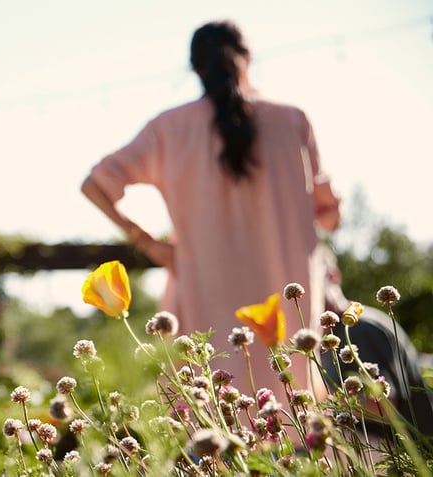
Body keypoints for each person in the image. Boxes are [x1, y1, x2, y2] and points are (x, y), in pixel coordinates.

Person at [81, 20, 341, 402]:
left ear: (195, 69)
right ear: (247, 59)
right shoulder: (292, 121)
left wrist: (151, 245)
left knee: (214, 416)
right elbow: (329, 214)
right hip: (288, 296)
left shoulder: (168, 129)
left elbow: (95, 184)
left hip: (203, 287)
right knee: (293, 416)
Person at [318, 245, 433, 438]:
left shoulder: (357, 329)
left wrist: (319, 394)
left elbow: (385, 407)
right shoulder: (334, 335)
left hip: (407, 458)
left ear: (333, 276)